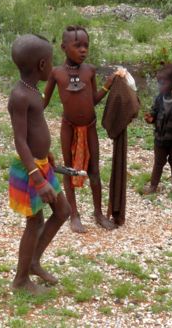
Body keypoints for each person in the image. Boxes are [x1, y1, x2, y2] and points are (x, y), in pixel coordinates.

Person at [8, 34, 70, 294]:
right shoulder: (20, 96)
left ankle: (34, 262)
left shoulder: (33, 91)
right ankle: (21, 281)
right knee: (34, 223)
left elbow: (36, 131)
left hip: (41, 164)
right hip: (30, 170)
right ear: (42, 65)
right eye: (52, 61)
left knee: (63, 211)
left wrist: (48, 155)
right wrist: (37, 177)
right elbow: (20, 141)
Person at [43, 25, 121, 233]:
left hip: (90, 127)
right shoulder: (56, 73)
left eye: (86, 45)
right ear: (63, 47)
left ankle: (98, 213)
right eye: (77, 46)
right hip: (68, 128)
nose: (83, 50)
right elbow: (43, 102)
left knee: (94, 169)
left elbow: (92, 100)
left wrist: (108, 84)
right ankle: (74, 214)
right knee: (69, 170)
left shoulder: (90, 71)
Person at [143, 64, 172, 196]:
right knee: (158, 162)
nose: (159, 86)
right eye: (158, 83)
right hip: (159, 138)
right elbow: (154, 112)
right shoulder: (160, 98)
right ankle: (153, 186)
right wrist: (151, 118)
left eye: (162, 82)